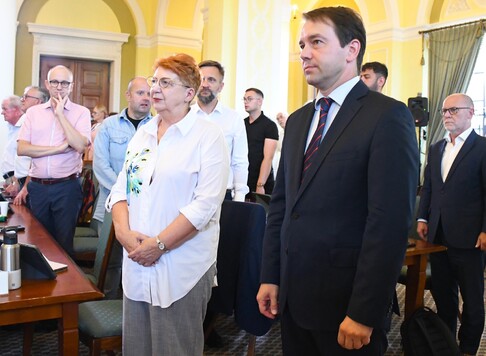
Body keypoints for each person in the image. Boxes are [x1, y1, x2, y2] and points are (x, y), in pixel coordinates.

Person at [256, 6, 419, 355]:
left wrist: (364, 311)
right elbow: (283, 207)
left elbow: (388, 224)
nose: (303, 52)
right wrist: (271, 275)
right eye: (302, 44)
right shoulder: (299, 120)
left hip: (346, 307)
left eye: (316, 41)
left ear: (352, 49)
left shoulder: (387, 116)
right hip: (293, 301)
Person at [107, 53, 229, 355]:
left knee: (175, 348)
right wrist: (122, 231)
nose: (154, 89)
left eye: (165, 82)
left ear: (189, 93)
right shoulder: (144, 133)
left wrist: (158, 245)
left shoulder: (208, 136)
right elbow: (123, 186)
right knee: (137, 347)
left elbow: (204, 206)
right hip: (136, 259)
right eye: (153, 81)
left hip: (181, 265)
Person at [417, 93, 486, 356]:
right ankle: (446, 345)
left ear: (471, 112)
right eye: (444, 111)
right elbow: (430, 188)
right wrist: (423, 217)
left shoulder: (482, 147)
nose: (447, 115)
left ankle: (467, 348)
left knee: (472, 301)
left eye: (454, 110)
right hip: (438, 235)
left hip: (470, 238)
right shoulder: (436, 148)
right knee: (443, 297)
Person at [17, 65, 91, 257]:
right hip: (38, 187)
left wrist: (60, 115)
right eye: (55, 82)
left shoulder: (81, 112)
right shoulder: (33, 113)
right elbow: (22, 149)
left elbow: (80, 146)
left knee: (63, 245)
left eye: (64, 83)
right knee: (37, 243)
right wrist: (58, 149)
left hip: (66, 188)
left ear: (71, 86)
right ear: (47, 84)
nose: (59, 87)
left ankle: (67, 287)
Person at [92, 77, 152, 299]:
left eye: (148, 94)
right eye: (140, 93)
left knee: (140, 260)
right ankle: (107, 303)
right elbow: (100, 165)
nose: (146, 98)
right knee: (112, 262)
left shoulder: (158, 127)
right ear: (128, 96)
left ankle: (134, 308)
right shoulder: (109, 126)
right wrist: (124, 194)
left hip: (145, 208)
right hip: (110, 207)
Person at [193, 60, 249, 202]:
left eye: (211, 80)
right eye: (201, 79)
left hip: (222, 196)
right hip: (188, 194)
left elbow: (240, 161)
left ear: (221, 86)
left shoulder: (233, 118)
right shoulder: (184, 116)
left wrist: (239, 197)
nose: (205, 84)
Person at [11, 87, 50, 204]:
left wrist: (26, 186)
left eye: (26, 97)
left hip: (32, 181)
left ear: (38, 101)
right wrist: (16, 181)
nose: (22, 100)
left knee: (30, 220)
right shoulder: (26, 119)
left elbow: (36, 158)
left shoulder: (41, 122)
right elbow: (19, 155)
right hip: (23, 179)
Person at [243, 88, 278, 197]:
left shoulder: (269, 125)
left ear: (259, 101)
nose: (245, 102)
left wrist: (260, 185)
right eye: (244, 99)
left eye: (249, 99)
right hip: (244, 179)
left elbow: (268, 158)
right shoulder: (241, 123)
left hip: (262, 181)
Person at [1, 96, 24, 189]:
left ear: (17, 110)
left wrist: (16, 182)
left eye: (4, 109)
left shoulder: (24, 127)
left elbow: (25, 159)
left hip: (17, 179)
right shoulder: (11, 126)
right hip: (9, 179)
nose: (2, 112)